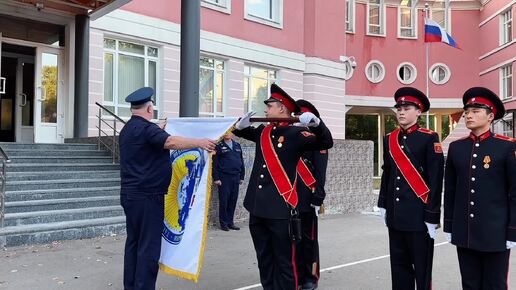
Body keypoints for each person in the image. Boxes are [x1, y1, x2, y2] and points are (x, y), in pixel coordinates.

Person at [233, 84, 333, 290]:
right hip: (257, 207)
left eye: (270, 106)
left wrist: (317, 124)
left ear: (282, 108)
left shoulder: (296, 134)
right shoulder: (264, 131)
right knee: (264, 259)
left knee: (285, 262)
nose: (266, 110)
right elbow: (243, 133)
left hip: (280, 209)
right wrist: (239, 127)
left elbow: (325, 142)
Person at [119, 87, 216, 290]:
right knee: (149, 247)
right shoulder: (147, 129)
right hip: (148, 197)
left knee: (134, 243)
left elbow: (151, 141)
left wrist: (159, 129)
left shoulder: (128, 129)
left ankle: (131, 286)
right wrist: (199, 142)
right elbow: (170, 141)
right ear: (150, 108)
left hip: (130, 196)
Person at [443, 87, 516, 290]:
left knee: (495, 285)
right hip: (465, 232)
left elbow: (514, 193)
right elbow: (450, 190)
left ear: (490, 116)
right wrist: (449, 225)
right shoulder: (457, 148)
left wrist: (513, 230)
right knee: (470, 284)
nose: (468, 115)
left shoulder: (507, 147)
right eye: (467, 111)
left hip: (496, 233)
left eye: (476, 110)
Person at [377, 87, 444, 290]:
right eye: (399, 108)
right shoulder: (390, 138)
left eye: (407, 108)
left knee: (422, 271)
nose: (401, 112)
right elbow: (387, 173)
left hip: (418, 218)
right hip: (396, 217)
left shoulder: (429, 138)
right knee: (398, 268)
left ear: (419, 111)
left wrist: (432, 215)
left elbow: (435, 179)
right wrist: (383, 204)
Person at [294, 99, 329, 290]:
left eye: (301, 116)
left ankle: (310, 276)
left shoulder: (316, 140)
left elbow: (320, 172)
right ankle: (295, 273)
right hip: (290, 197)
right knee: (293, 239)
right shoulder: (292, 137)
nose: (298, 120)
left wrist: (318, 198)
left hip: (308, 197)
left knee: (308, 239)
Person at [212, 132, 245, 231]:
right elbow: (215, 163)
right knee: (224, 201)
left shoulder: (237, 145)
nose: (228, 134)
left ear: (232, 134)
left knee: (232, 201)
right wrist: (216, 178)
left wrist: (242, 176)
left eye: (230, 132)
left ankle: (230, 222)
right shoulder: (219, 146)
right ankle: (224, 223)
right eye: (226, 132)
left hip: (236, 176)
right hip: (224, 177)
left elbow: (241, 161)